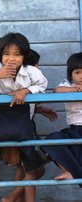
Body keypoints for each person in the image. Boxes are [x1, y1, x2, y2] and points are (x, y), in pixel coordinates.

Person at [0, 32, 48, 202]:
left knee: (28, 158)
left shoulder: (30, 71)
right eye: (7, 54)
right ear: (0, 55)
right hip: (0, 116)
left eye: (17, 54)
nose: (11, 59)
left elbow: (42, 84)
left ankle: (15, 197)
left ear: (24, 56)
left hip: (22, 118)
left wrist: (26, 90)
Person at [42, 52, 82, 182]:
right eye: (77, 72)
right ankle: (68, 171)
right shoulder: (67, 87)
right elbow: (57, 90)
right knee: (51, 140)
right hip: (74, 131)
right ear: (71, 75)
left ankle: (75, 175)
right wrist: (76, 90)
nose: (81, 76)